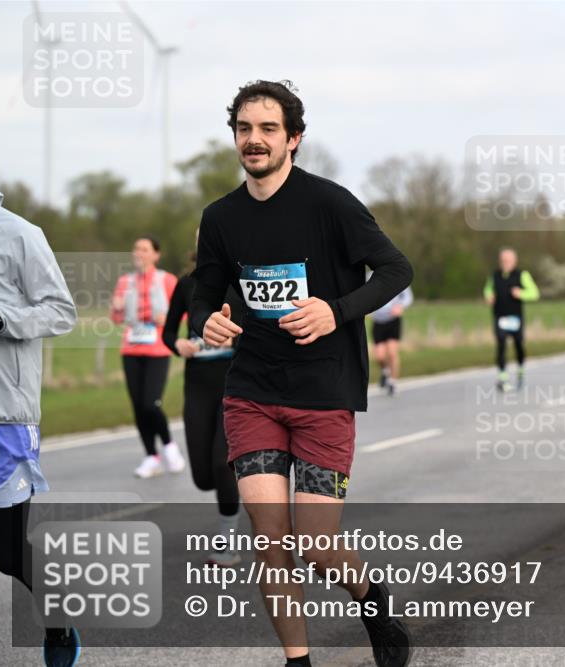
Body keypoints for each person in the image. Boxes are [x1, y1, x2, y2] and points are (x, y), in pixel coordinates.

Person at [189, 80, 413, 667]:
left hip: (324, 391)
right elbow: (202, 294)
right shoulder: (221, 217)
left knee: (316, 544)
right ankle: (298, 662)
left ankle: (372, 601)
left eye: (268, 128)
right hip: (253, 392)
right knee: (270, 540)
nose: (254, 139)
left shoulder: (330, 204)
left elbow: (396, 269)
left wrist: (335, 310)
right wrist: (206, 322)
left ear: (294, 138)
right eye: (244, 128)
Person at [0, 183, 81, 666]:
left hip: (3, 412)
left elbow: (61, 311)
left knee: (7, 554)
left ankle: (58, 617)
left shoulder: (20, 234)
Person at [161, 231, 244, 566]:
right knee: (202, 476)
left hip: (234, 384)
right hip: (197, 385)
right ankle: (241, 489)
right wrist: (177, 345)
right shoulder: (187, 285)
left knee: (222, 465)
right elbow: (168, 331)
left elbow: (263, 330)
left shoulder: (241, 282)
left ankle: (228, 542)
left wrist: (234, 342)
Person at [110, 236, 184, 478]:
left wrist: (169, 318)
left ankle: (169, 445)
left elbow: (184, 311)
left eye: (144, 249)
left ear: (156, 255)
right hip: (131, 350)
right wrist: (117, 307)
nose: (138, 253)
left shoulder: (167, 280)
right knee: (138, 407)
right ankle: (151, 456)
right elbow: (116, 319)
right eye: (136, 249)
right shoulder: (125, 282)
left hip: (157, 350)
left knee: (150, 403)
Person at [483, 248, 540, 391]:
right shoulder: (494, 275)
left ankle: (520, 369)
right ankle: (502, 377)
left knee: (518, 345)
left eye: (508, 260)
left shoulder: (522, 275)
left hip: (515, 318)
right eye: (503, 260)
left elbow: (535, 293)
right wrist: (488, 296)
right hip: (500, 316)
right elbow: (487, 289)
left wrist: (521, 293)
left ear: (515, 261)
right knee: (501, 344)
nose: (505, 263)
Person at [370, 284, 413, 396]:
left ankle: (393, 383)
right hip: (378, 321)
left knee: (392, 353)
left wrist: (400, 306)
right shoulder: (371, 278)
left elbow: (408, 297)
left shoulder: (399, 276)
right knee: (379, 356)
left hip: (393, 320)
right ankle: (385, 371)